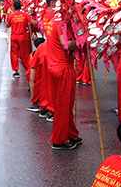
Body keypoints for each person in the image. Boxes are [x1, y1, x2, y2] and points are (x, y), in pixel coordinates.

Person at [45, 12, 81, 149]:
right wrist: (83, 40)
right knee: (63, 108)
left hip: (55, 66)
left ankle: (72, 134)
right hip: (62, 69)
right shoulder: (61, 21)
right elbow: (65, 45)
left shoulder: (55, 18)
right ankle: (58, 140)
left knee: (66, 105)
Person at [6, 0, 37, 78]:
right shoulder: (25, 15)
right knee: (25, 54)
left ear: (14, 7)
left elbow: (7, 25)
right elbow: (33, 22)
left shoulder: (11, 15)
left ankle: (16, 71)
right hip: (23, 38)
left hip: (14, 37)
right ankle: (28, 69)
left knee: (14, 54)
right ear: (20, 7)